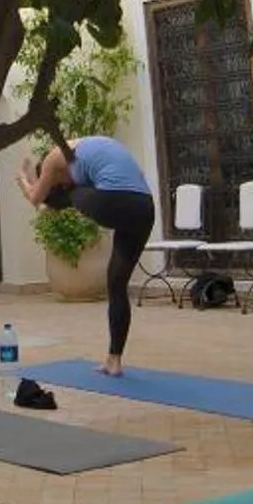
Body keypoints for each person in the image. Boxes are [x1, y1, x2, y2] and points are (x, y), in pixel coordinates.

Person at [19, 135, 157, 376]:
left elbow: (35, 199)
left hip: (113, 200)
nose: (63, 184)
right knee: (116, 284)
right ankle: (114, 360)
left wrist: (23, 179)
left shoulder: (54, 158)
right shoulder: (88, 146)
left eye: (57, 183)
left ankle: (114, 360)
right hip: (144, 209)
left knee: (69, 196)